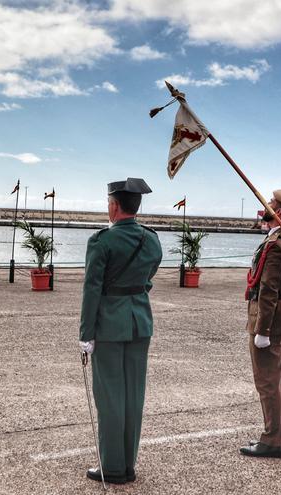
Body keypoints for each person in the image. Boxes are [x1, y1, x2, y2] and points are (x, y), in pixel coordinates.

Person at [79, 178, 163, 485]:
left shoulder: (102, 241)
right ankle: (128, 464)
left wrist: (86, 333)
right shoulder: (152, 239)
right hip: (140, 321)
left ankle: (113, 467)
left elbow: (92, 290)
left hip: (109, 326)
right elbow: (148, 277)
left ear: (114, 206)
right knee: (133, 397)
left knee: (110, 397)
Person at [240, 190, 281, 459]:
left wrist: (262, 330)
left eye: (272, 203)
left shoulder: (276, 245)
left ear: (280, 212)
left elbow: (268, 290)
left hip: (270, 322)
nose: (266, 205)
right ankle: (279, 437)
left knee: (268, 382)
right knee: (279, 381)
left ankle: (273, 440)